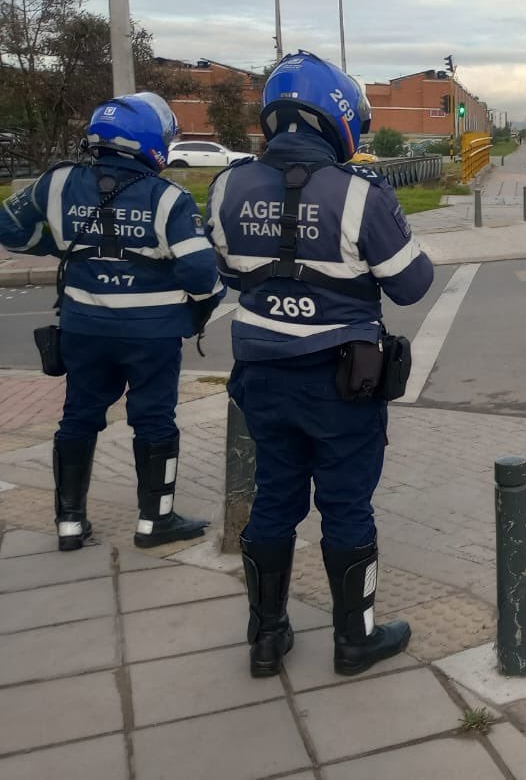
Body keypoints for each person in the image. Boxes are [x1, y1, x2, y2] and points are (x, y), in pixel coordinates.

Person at [206, 51, 434, 678]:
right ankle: (354, 641)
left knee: (274, 498)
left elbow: (228, 273)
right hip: (343, 381)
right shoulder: (360, 194)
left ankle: (266, 637)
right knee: (346, 504)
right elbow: (412, 285)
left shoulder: (228, 186)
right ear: (339, 119)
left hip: (262, 377)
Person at [0, 93, 223, 551]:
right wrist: (201, 307)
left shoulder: (56, 182)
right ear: (151, 141)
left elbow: (9, 229)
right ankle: (154, 521)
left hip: (84, 325)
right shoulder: (169, 198)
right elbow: (201, 274)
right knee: (154, 420)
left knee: (78, 417)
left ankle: (69, 523)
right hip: (152, 334)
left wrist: (61, 246)